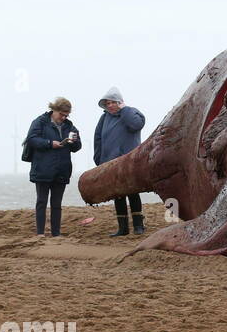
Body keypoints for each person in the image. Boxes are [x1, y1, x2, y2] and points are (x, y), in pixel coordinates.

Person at [93, 87, 147, 236]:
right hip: (111, 162)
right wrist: (99, 159)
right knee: (118, 194)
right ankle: (122, 228)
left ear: (119, 102)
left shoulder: (131, 113)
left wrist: (124, 110)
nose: (110, 105)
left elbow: (136, 125)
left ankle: (138, 226)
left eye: (113, 102)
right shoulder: (104, 118)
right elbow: (98, 139)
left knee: (132, 192)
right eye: (107, 103)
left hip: (130, 162)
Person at [26, 98, 83, 237]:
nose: (63, 118)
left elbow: (77, 147)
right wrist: (50, 143)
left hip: (62, 170)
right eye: (61, 114)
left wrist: (74, 142)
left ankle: (56, 234)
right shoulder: (40, 122)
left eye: (66, 115)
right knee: (41, 201)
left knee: (57, 204)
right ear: (54, 110)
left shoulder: (70, 126)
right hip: (42, 169)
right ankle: (40, 233)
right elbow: (31, 139)